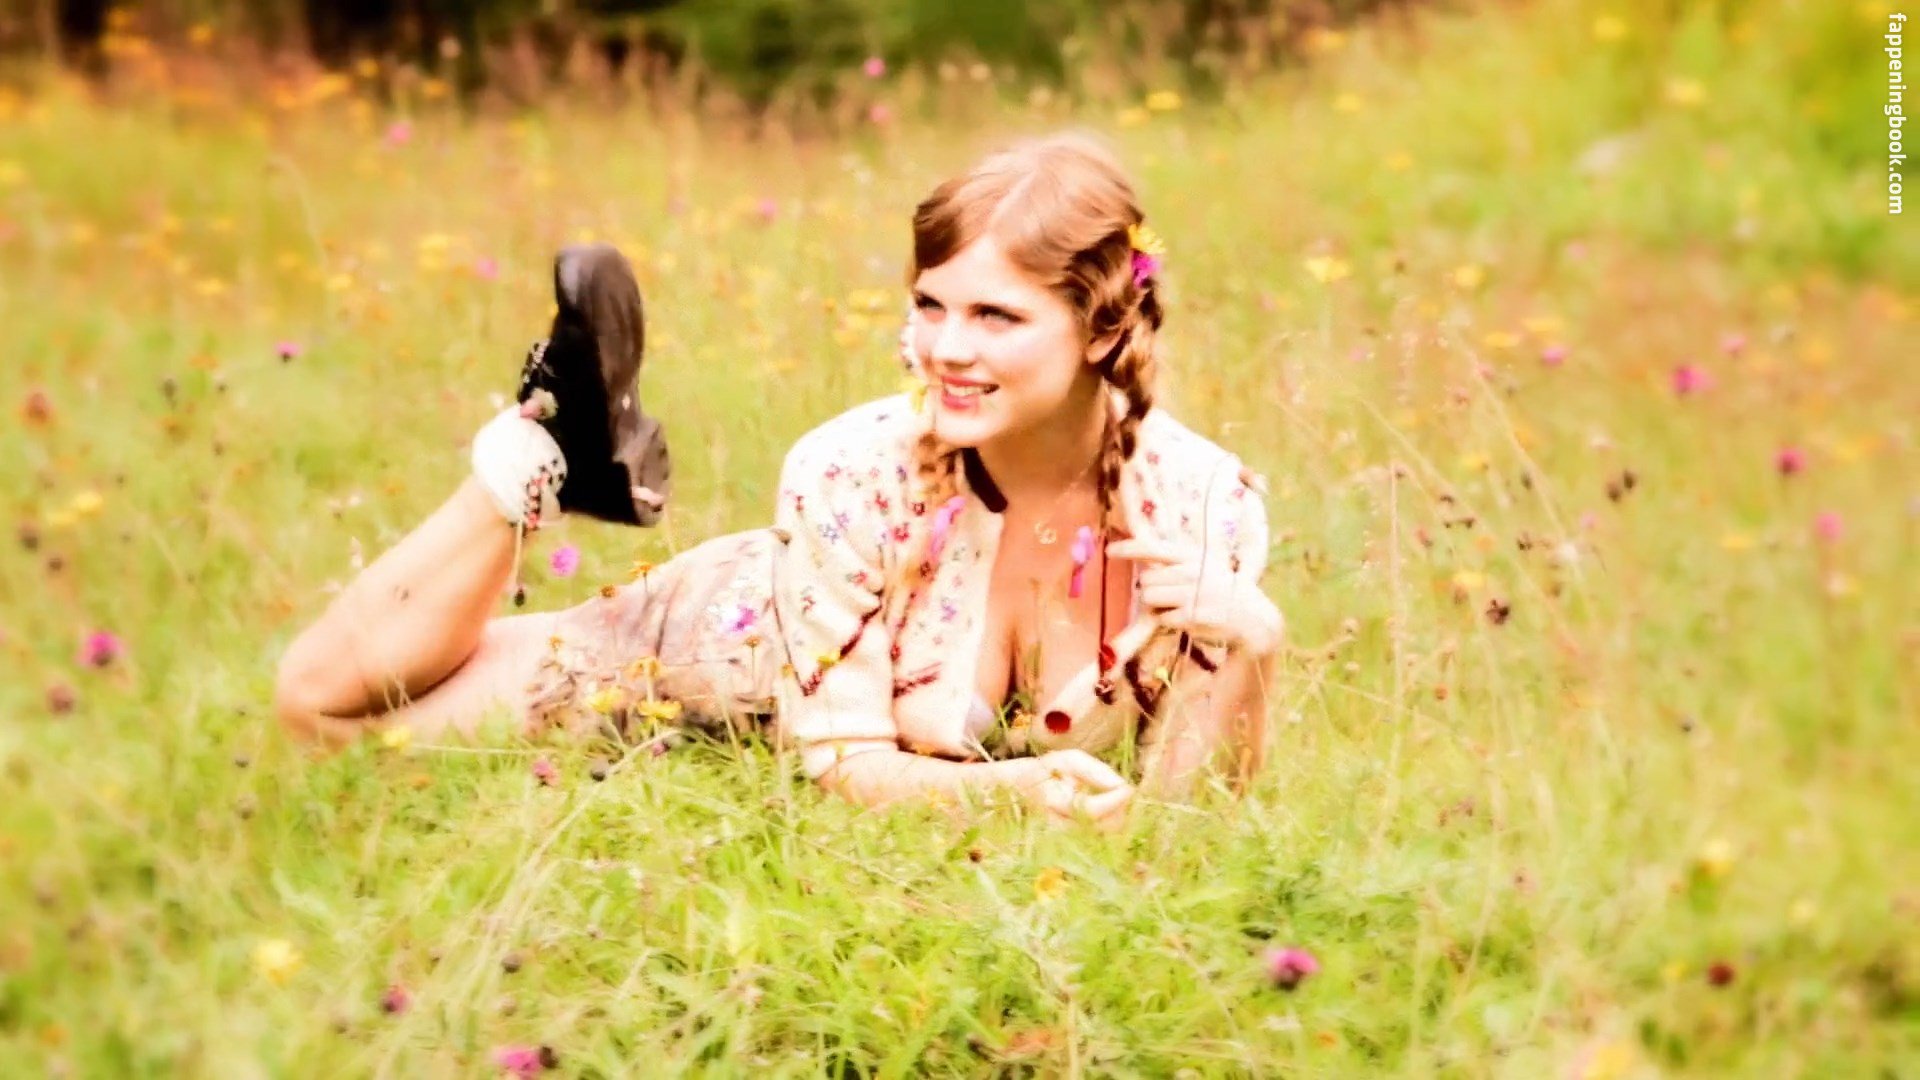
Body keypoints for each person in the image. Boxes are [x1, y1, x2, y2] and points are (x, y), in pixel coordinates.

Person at [273, 131, 1283, 827]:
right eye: (931, 306)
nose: (944, 348)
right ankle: (536, 456)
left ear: (1102, 328)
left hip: (788, 688)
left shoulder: (1203, 507)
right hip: (725, 638)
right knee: (328, 716)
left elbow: (1184, 827)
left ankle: (555, 451)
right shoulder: (850, 470)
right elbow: (843, 762)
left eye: (995, 317)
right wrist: (1010, 796)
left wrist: (1255, 646)